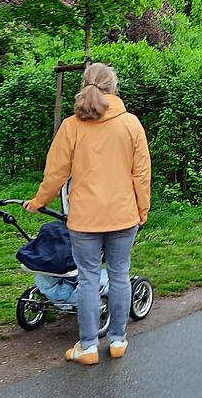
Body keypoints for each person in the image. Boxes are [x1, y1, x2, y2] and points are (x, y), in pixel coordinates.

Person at [23, 63, 151, 365]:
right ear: (113, 87)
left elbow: (55, 173)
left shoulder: (72, 126)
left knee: (89, 279)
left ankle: (89, 346)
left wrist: (40, 201)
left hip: (85, 220)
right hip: (123, 216)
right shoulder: (131, 124)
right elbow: (141, 174)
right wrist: (142, 209)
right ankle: (118, 340)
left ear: (85, 85)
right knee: (120, 275)